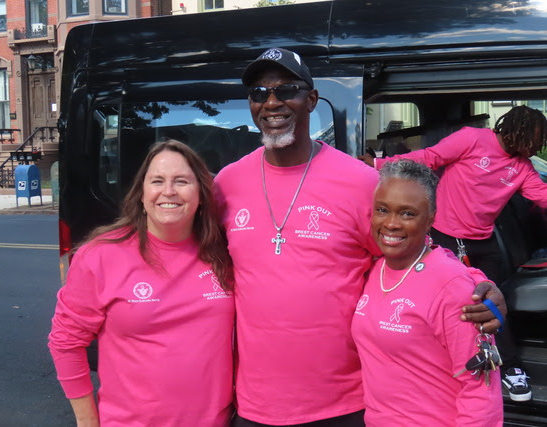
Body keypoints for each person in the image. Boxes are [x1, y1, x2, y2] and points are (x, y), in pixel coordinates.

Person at [215, 47, 505, 426]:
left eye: (286, 90)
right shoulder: (228, 183)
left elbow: (414, 251)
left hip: (346, 403)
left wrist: (476, 284)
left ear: (311, 100)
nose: (271, 102)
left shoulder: (361, 182)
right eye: (259, 93)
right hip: (255, 405)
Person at [360, 105, 547, 401]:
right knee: (447, 306)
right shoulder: (472, 139)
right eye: (535, 140)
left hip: (482, 242)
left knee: (492, 304)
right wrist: (379, 164)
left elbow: (542, 195)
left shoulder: (522, 167)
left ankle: (509, 367)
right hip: (443, 238)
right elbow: (428, 158)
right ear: (518, 130)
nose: (537, 147)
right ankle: (442, 366)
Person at [48, 140, 235, 426]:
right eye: (157, 181)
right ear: (141, 194)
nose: (168, 191)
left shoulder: (224, 252)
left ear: (201, 194)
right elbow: (65, 342)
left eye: (182, 181)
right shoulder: (101, 255)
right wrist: (87, 422)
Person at [351, 159, 503, 426]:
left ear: (431, 219)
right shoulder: (373, 269)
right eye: (382, 210)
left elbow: (480, 389)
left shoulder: (452, 285)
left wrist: (472, 279)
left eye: (407, 214)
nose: (391, 223)